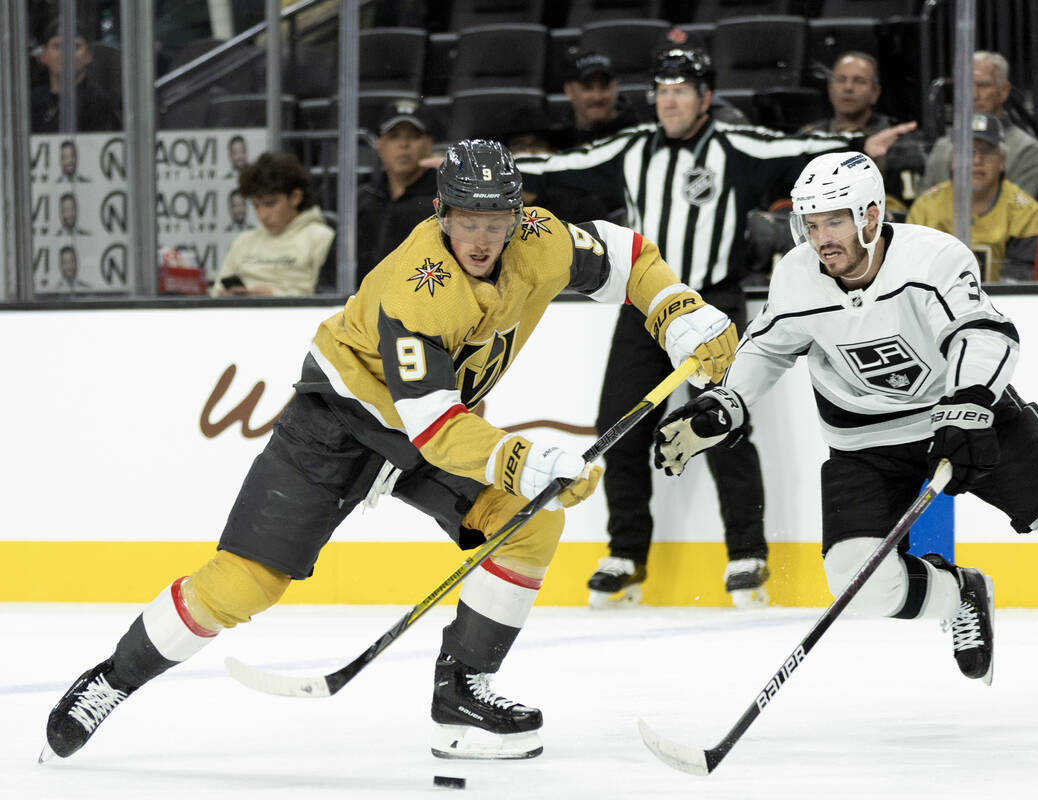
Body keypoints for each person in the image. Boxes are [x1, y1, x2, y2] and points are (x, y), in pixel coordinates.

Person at [40, 139, 740, 763]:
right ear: (442, 213)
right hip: (338, 422)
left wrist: (676, 308)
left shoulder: (538, 238)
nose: (482, 239)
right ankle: (110, 679)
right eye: (468, 222)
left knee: (530, 523)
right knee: (244, 583)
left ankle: (462, 692)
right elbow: (433, 426)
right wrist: (526, 461)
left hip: (431, 426)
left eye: (496, 223)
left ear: (517, 215)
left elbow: (626, 256)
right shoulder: (419, 287)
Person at [653, 150, 1038, 720]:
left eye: (834, 220)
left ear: (871, 215)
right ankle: (960, 594)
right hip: (863, 442)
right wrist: (724, 403)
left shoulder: (933, 257)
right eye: (810, 222)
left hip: (965, 413)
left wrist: (970, 404)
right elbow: (768, 346)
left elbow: (985, 332)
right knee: (859, 583)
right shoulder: (798, 274)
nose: (820, 237)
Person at [518, 45, 917, 608]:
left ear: (705, 98)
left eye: (681, 91)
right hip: (645, 306)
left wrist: (856, 147)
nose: (670, 101)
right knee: (619, 425)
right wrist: (500, 175)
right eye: (662, 91)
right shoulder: (632, 149)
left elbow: (794, 150)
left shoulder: (734, 146)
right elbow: (567, 167)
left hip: (713, 306)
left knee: (724, 422)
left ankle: (746, 554)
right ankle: (626, 555)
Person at [907, 113, 1038, 282]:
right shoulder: (925, 207)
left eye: (987, 151)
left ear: (1002, 160)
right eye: (967, 151)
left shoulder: (1027, 213)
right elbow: (912, 276)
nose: (976, 160)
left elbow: (1023, 287)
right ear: (953, 158)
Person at [800, 51, 925, 214]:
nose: (848, 87)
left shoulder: (895, 139)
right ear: (830, 90)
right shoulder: (808, 138)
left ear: (875, 93)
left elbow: (906, 207)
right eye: (841, 80)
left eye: (859, 81)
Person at [920, 51, 1038, 198]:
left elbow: (1020, 213)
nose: (973, 95)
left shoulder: (1025, 149)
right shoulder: (943, 147)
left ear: (1003, 91)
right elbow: (922, 207)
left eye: (983, 85)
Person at [210, 152, 334, 297]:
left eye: (270, 204)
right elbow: (216, 291)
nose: (262, 215)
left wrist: (272, 297)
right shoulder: (243, 241)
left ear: (295, 197)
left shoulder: (321, 238)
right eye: (256, 206)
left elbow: (327, 299)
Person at [356, 99, 438, 285]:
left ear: (429, 144)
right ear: (379, 145)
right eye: (394, 136)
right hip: (359, 304)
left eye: (414, 136)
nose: (404, 144)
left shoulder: (446, 198)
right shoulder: (363, 198)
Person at [30, 18, 122, 134]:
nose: (65, 53)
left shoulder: (103, 105)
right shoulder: (30, 105)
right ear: (43, 56)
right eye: (57, 46)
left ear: (88, 55)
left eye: (75, 46)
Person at [560, 50, 643, 147]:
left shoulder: (638, 139)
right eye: (587, 87)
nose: (597, 97)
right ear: (569, 91)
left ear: (616, 86)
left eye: (604, 86)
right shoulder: (556, 142)